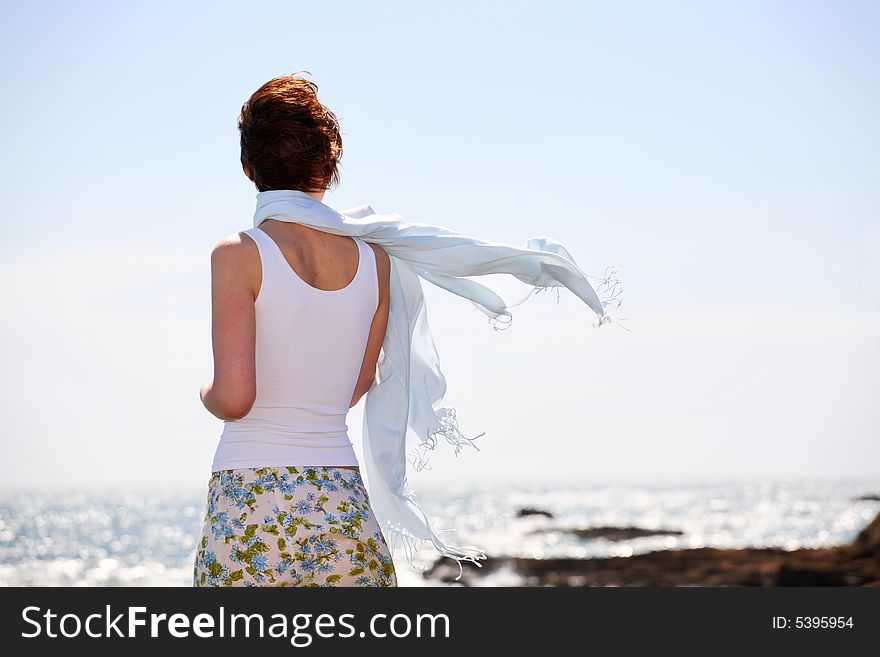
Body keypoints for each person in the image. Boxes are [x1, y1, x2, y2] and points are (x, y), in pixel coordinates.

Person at [192, 72, 397, 587]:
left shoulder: (238, 256)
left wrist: (205, 394)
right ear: (328, 167)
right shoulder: (377, 261)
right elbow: (356, 384)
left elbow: (235, 398)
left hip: (252, 502)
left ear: (248, 168)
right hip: (344, 505)